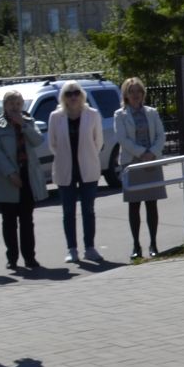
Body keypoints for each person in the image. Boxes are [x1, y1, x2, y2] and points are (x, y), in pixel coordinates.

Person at [0, 91, 46, 271]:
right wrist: (11, 173)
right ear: (4, 105)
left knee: (27, 220)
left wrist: (24, 126)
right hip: (7, 179)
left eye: (18, 103)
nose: (15, 107)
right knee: (9, 220)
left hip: (27, 176)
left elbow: (38, 141)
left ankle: (30, 258)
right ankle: (12, 258)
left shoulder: (28, 120)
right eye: (11, 103)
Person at [48, 81, 105, 264]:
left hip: (88, 168)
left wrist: (86, 156)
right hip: (66, 169)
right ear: (63, 97)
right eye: (68, 94)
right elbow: (53, 144)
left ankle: (90, 247)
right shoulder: (55, 117)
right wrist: (68, 158)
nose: (73, 97)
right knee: (68, 211)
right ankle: (71, 249)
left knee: (88, 210)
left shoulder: (92, 114)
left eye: (76, 93)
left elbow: (98, 142)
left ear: (82, 95)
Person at [114, 77, 168, 261]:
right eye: (131, 92)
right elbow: (122, 139)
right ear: (126, 95)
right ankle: (136, 245)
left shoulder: (152, 112)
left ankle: (153, 244)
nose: (135, 95)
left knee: (151, 203)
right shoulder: (120, 115)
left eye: (138, 91)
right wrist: (141, 153)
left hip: (151, 161)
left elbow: (161, 135)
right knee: (134, 204)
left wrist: (152, 153)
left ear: (143, 94)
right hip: (132, 163)